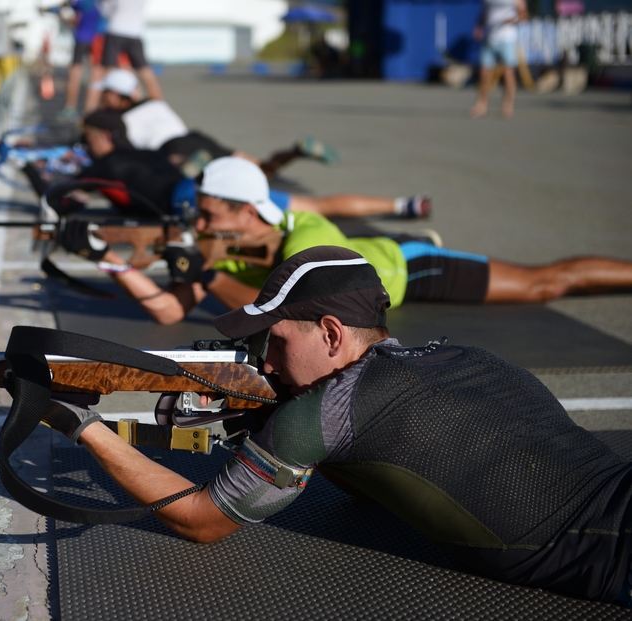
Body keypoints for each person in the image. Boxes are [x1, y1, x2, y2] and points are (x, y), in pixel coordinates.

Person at [39, 245, 632, 603]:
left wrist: (81, 424)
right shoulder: (470, 357)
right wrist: (267, 419)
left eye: (274, 342)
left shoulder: (327, 410)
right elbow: (373, 477)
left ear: (329, 333)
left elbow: (200, 523)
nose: (266, 362)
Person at [59, 155, 632, 325]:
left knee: (544, 284)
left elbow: (292, 304)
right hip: (372, 295)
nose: (200, 227)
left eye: (209, 216)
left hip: (411, 269)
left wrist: (205, 275)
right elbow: (164, 311)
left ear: (247, 210)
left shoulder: (309, 235)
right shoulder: (223, 246)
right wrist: (108, 257)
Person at [55, 110, 429, 226]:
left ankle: (398, 207)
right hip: (191, 185)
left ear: (103, 137)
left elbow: (62, 198)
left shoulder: (104, 164)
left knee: (301, 214)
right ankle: (400, 205)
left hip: (189, 200)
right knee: (305, 206)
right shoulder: (140, 151)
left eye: (88, 140)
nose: (87, 147)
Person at [95, 69, 340, 179]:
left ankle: (193, 168)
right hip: (197, 138)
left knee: (179, 174)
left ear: (117, 94)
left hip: (172, 148)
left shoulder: (119, 120)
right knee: (262, 170)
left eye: (105, 92)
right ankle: (296, 151)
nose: (102, 98)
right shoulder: (156, 104)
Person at [92, 0, 163, 108]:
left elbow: (106, 11)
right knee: (145, 70)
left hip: (116, 30)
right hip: (135, 32)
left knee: (107, 71)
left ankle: (102, 109)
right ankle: (158, 103)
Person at [469, 0, 529, 119]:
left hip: (507, 39)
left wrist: (510, 20)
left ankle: (508, 106)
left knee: (508, 73)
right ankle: (481, 105)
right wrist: (479, 26)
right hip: (489, 38)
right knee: (484, 73)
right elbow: (485, 12)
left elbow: (524, 16)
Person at [57, 0, 107, 121]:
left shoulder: (82, 3)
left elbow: (65, 7)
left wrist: (63, 15)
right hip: (98, 38)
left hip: (83, 38)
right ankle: (91, 110)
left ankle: (71, 108)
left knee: (76, 73)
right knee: (96, 75)